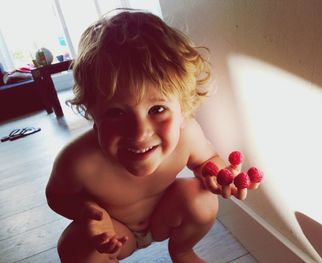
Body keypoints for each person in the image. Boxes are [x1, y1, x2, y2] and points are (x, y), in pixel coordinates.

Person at [46, 9, 252, 263]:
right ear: (91, 111)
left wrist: (221, 176)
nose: (140, 132)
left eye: (157, 109)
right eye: (116, 113)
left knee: (201, 199)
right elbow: (56, 197)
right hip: (116, 231)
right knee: (73, 247)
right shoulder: (77, 162)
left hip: (163, 217)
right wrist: (84, 211)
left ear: (183, 107)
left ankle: (182, 250)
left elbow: (205, 159)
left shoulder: (188, 135)